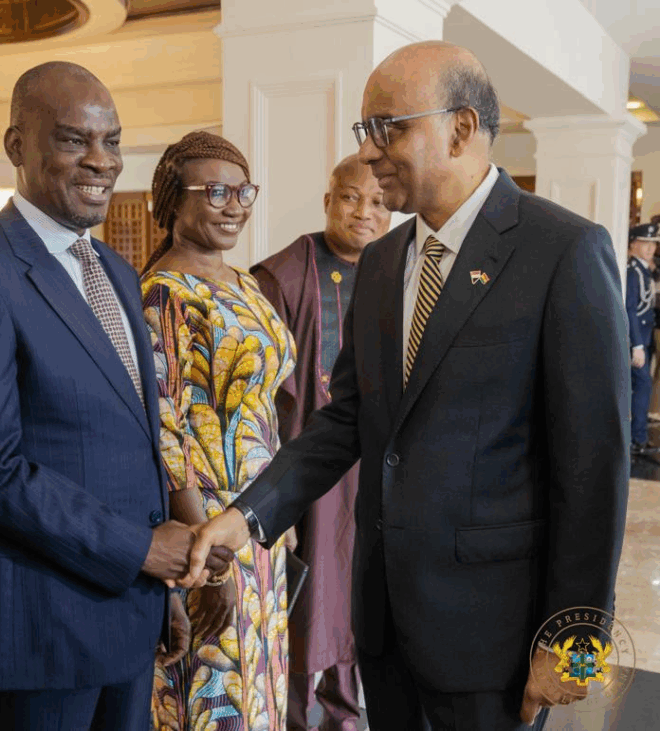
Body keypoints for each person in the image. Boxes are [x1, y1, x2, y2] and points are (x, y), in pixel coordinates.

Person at [182, 41, 630, 731]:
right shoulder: (384, 261)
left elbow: (593, 468)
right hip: (384, 628)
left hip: (496, 643)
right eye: (365, 130)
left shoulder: (563, 251)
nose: (369, 152)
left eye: (387, 128)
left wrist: (572, 643)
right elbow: (346, 419)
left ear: (460, 128)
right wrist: (248, 516)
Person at [0, 63, 230, 731]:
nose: (102, 160)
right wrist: (141, 549)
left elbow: (134, 438)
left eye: (111, 141)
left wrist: (160, 591)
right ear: (17, 147)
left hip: (130, 610)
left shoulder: (115, 268)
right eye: (73, 140)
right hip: (43, 628)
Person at [141, 130, 296, 731]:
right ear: (172, 201)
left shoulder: (244, 283)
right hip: (208, 525)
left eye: (243, 191)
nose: (235, 206)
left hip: (257, 522)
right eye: (215, 192)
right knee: (214, 696)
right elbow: (166, 430)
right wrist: (205, 559)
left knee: (260, 690)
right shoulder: (164, 294)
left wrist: (280, 509)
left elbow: (265, 408)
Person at [251, 154, 391, 731]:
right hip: (307, 469)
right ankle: (294, 719)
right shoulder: (282, 276)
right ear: (329, 200)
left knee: (361, 599)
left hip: (376, 467)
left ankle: (346, 718)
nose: (364, 212)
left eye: (379, 202)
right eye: (352, 197)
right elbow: (262, 395)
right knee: (308, 603)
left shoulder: (397, 270)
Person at [628, 221, 660, 455]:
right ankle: (637, 438)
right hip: (637, 339)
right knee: (643, 386)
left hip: (644, 336)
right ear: (633, 244)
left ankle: (636, 436)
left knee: (639, 386)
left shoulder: (643, 269)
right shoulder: (633, 271)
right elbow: (630, 309)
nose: (651, 248)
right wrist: (637, 345)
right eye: (645, 243)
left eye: (653, 244)